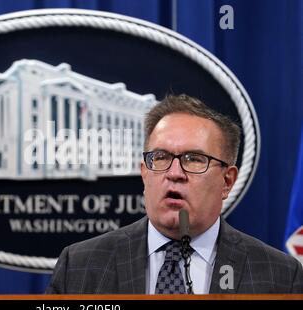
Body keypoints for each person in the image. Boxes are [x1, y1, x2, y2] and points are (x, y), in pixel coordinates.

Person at [46, 94, 303, 294]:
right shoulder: (79, 266)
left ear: (227, 181)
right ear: (145, 173)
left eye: (193, 159)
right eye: (161, 157)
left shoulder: (280, 276)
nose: (175, 172)